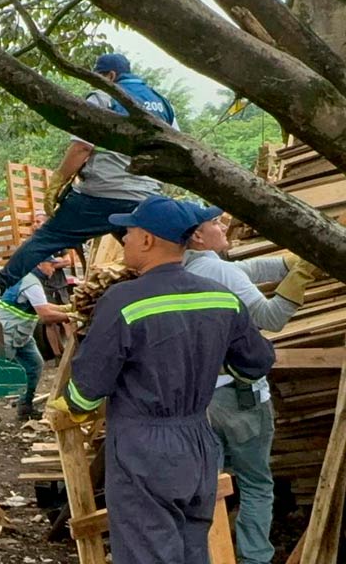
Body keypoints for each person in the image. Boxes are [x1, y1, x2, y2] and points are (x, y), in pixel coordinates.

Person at [50, 195, 275, 564]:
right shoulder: (222, 298)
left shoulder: (123, 300)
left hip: (144, 447)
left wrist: (72, 406)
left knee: (147, 551)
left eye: (130, 232)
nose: (124, 239)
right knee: (191, 549)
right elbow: (256, 362)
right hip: (198, 443)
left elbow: (88, 386)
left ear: (148, 240)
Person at [182, 205, 320, 564]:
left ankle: (209, 555)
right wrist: (301, 276)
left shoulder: (184, 269)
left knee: (207, 488)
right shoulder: (218, 270)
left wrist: (290, 262)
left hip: (199, 399)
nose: (223, 222)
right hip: (240, 397)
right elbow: (270, 319)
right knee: (256, 484)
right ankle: (253, 559)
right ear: (197, 236)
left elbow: (244, 270)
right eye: (214, 222)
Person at [0, 53, 178, 291]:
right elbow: (174, 148)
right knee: (149, 253)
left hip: (100, 194)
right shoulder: (163, 103)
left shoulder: (102, 97)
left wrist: (58, 181)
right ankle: (169, 290)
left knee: (47, 238)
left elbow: (82, 146)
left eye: (98, 78)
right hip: (144, 197)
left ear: (110, 76)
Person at [0, 258, 71, 421]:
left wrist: (67, 308)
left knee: (34, 365)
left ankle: (25, 408)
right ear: (39, 264)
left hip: (21, 335)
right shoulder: (31, 283)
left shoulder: (29, 279)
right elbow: (45, 314)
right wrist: (71, 316)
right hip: (7, 334)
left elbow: (43, 304)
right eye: (51, 265)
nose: (53, 269)